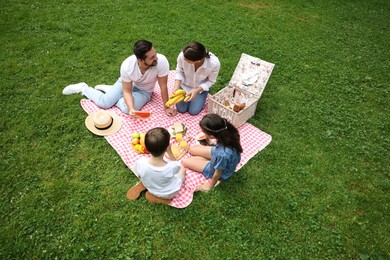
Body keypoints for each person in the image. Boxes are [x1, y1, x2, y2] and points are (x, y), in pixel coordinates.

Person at [62, 40, 177, 116]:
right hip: (126, 85)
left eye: (155, 54)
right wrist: (132, 106)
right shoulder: (127, 66)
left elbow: (163, 87)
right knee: (104, 103)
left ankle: (113, 93)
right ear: (141, 60)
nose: (156, 58)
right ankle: (84, 88)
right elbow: (127, 90)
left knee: (127, 110)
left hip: (144, 91)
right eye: (152, 58)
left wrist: (166, 107)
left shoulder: (161, 61)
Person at [183, 114, 242, 191]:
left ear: (212, 136)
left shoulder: (223, 154)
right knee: (191, 149)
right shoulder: (227, 131)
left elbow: (217, 173)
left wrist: (210, 185)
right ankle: (207, 160)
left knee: (186, 161)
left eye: (204, 132)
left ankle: (208, 162)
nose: (202, 133)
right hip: (218, 153)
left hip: (219, 169)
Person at [127, 127, 186, 204]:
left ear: (146, 149)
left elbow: (139, 175)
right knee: (182, 169)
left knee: (147, 176)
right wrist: (170, 151)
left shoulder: (141, 162)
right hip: (169, 193)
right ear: (166, 148)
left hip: (151, 188)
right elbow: (177, 166)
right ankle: (163, 199)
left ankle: (146, 186)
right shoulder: (172, 166)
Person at [171, 42, 220, 115]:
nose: (183, 59)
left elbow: (211, 81)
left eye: (186, 60)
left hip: (200, 88)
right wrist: (176, 87)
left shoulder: (214, 63)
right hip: (184, 85)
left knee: (193, 111)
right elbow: (179, 71)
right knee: (181, 109)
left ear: (197, 61)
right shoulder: (182, 56)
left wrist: (197, 91)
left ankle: (203, 94)